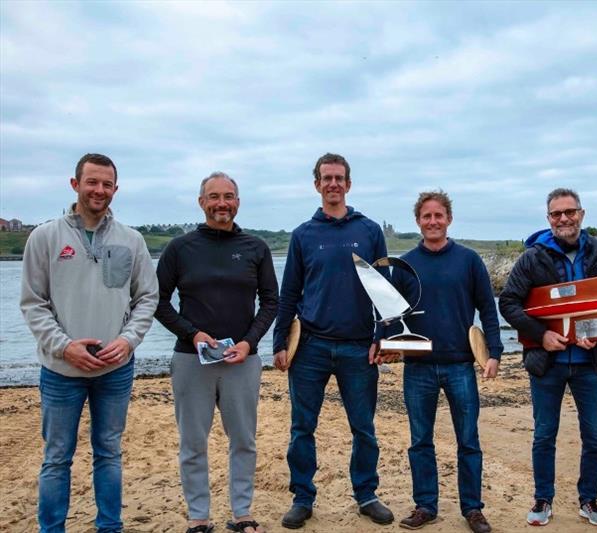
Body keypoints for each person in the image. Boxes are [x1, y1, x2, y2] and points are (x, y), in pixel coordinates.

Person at [20, 153, 158, 533]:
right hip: (61, 370)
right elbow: (33, 303)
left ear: (116, 189)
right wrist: (64, 346)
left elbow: (147, 297)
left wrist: (128, 341)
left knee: (109, 453)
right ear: (75, 184)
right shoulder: (44, 237)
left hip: (115, 369)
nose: (99, 190)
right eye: (92, 182)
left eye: (107, 184)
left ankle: (109, 526)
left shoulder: (131, 240)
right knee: (56, 458)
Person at [272, 153, 394, 528]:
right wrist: (280, 342)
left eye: (339, 178)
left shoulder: (370, 231)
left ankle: (366, 494)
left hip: (359, 346)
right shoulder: (303, 235)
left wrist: (382, 335)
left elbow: (383, 292)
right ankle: (303, 497)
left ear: (349, 184)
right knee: (302, 427)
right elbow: (289, 291)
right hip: (310, 346)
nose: (333, 184)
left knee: (364, 427)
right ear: (317, 185)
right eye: (327, 178)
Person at [154, 172, 279, 533]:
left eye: (228, 196)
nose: (221, 203)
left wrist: (249, 342)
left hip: (243, 360)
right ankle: (198, 516)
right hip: (192, 359)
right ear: (201, 202)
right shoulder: (180, 248)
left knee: (244, 440)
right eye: (214, 197)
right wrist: (192, 335)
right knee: (193, 443)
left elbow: (271, 302)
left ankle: (242, 513)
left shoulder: (256, 248)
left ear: (238, 202)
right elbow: (158, 302)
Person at [378, 191, 502, 533]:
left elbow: (488, 309)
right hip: (418, 367)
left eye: (439, 215)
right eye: (426, 216)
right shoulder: (405, 264)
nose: (433, 221)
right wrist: (380, 342)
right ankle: (425, 506)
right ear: (418, 221)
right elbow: (388, 314)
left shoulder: (469, 260)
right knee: (420, 441)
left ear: (448, 218)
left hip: (461, 365)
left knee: (468, 440)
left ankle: (473, 509)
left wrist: (494, 352)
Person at [498, 188, 597, 528]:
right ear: (548, 218)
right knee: (544, 434)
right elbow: (508, 303)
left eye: (570, 212)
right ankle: (543, 498)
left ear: (581, 213)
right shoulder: (532, 258)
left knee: (595, 436)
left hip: (591, 363)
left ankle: (589, 500)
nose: (564, 219)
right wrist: (541, 336)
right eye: (556, 214)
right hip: (546, 364)